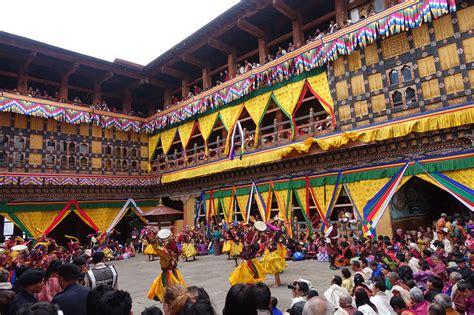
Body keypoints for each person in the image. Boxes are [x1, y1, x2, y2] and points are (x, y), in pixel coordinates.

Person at [147, 230, 187, 302]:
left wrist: (153, 241)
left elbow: (157, 249)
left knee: (169, 291)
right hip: (174, 272)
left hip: (168, 274)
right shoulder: (172, 252)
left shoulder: (167, 254)